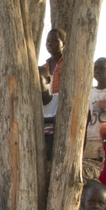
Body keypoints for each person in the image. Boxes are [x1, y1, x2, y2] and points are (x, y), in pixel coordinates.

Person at [43, 28, 65, 159]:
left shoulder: (67, 63)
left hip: (61, 104)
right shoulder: (44, 66)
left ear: (63, 43)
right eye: (48, 41)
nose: (50, 44)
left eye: (54, 41)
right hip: (47, 104)